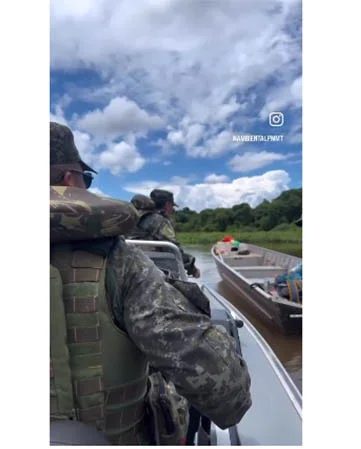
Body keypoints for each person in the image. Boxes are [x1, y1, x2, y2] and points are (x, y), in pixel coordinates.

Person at [49, 122, 252, 445]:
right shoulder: (118, 259)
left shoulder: (136, 227)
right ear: (70, 181)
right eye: (84, 179)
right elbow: (226, 392)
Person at [127, 189, 201, 278]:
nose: (172, 209)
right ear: (167, 205)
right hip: (154, 274)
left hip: (130, 269)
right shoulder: (160, 221)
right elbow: (175, 250)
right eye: (172, 206)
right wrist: (193, 269)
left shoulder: (129, 219)